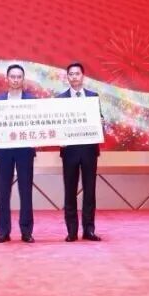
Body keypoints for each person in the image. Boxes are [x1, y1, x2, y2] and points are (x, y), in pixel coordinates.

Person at [56, 62, 102, 241]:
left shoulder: (93, 97)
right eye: (71, 74)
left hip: (89, 151)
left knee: (90, 191)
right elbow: (56, 125)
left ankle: (89, 230)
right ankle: (72, 231)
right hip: (69, 152)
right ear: (67, 77)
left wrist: (101, 122)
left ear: (83, 76)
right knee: (70, 191)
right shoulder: (60, 99)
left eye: (77, 73)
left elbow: (99, 119)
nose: (74, 77)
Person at [0, 64, 36, 243]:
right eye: (13, 76)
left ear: (23, 79)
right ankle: (4, 231)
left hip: (25, 151)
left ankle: (26, 231)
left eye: (19, 77)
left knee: (26, 192)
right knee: (3, 192)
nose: (16, 80)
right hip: (4, 152)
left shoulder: (32, 101)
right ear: (7, 78)